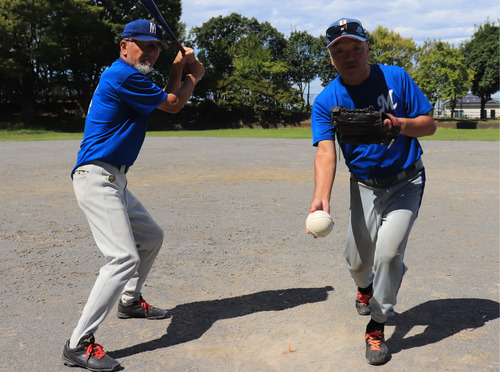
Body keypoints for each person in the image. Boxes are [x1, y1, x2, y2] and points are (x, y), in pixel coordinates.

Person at [62, 19, 204, 371]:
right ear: (124, 46)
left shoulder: (131, 78)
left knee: (151, 237)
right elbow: (173, 103)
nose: (151, 52)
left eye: (156, 48)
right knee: (123, 258)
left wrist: (177, 69)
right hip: (97, 177)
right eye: (144, 45)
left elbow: (165, 100)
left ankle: (129, 300)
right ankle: (78, 344)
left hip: (114, 179)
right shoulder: (122, 75)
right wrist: (192, 76)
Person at [308, 18, 436, 365]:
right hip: (363, 184)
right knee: (358, 260)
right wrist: (321, 195)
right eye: (340, 51)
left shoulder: (395, 77)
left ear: (367, 49)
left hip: (406, 182)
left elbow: (429, 124)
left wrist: (399, 124)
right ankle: (364, 289)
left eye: (355, 48)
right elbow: (324, 150)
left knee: (388, 256)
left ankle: (377, 326)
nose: (349, 56)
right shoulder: (326, 100)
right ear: (331, 58)